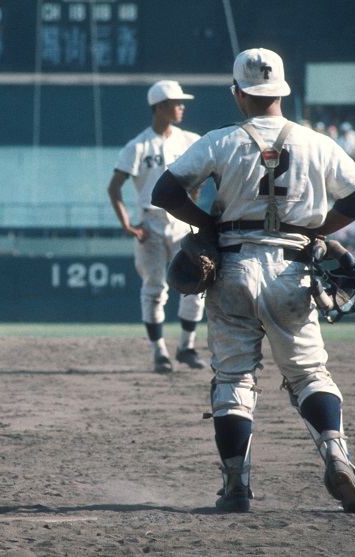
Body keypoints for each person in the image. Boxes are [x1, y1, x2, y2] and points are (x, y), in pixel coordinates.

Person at [151, 48, 355, 513]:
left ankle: (236, 486)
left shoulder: (219, 140)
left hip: (231, 265)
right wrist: (317, 231)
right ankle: (336, 456)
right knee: (310, 373)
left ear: (239, 93)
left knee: (232, 377)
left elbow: (165, 192)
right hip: (293, 269)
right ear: (283, 91)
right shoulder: (318, 143)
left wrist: (206, 226)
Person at [107, 80, 206, 373]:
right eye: (176, 102)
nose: (181, 106)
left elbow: (201, 176)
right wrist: (128, 225)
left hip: (182, 220)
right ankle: (159, 352)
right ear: (160, 107)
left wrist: (195, 208)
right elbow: (114, 188)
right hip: (150, 220)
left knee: (197, 282)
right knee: (153, 288)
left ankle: (186, 346)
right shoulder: (137, 146)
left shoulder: (190, 139)